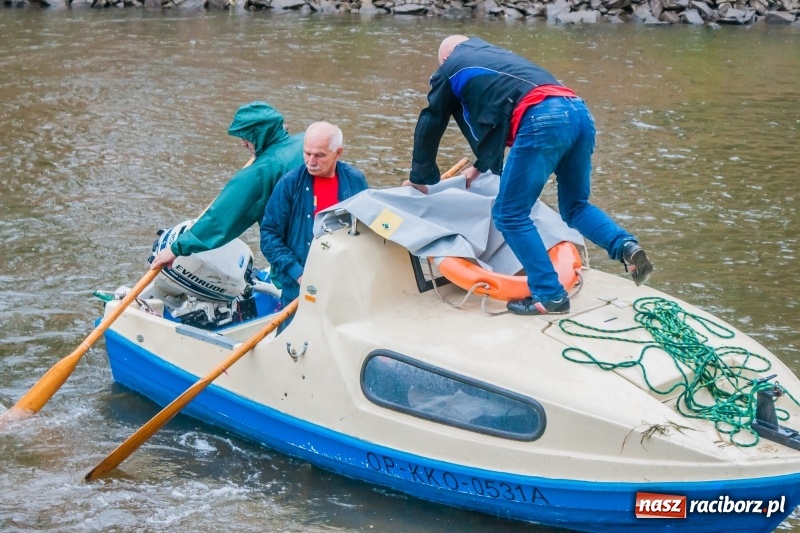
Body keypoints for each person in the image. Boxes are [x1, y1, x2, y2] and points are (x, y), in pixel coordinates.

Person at [402, 35, 653, 316]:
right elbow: (496, 112)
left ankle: (550, 295)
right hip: (579, 112)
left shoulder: (450, 68)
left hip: (543, 117)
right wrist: (482, 164)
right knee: (575, 207)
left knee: (509, 213)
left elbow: (431, 121)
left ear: (445, 59)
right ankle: (625, 246)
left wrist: (419, 177)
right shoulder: (496, 55)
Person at [150, 101, 305, 269]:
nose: (243, 143)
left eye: (247, 137)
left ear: (260, 134)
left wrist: (176, 248)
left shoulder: (262, 170)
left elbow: (221, 218)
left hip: (294, 255)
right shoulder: (307, 142)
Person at [260, 121, 369, 330]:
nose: (311, 161)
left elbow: (368, 227)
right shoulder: (290, 183)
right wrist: (298, 272)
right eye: (306, 153)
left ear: (338, 153)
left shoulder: (356, 181)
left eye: (319, 155)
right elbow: (269, 235)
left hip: (343, 283)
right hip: (300, 286)